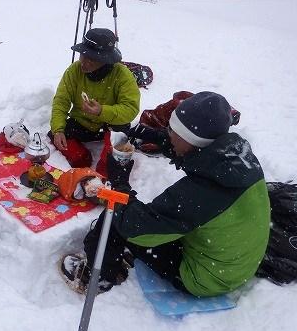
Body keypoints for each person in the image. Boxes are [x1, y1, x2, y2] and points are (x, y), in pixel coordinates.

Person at [61, 92, 270, 297]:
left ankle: (98, 278)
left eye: (173, 131)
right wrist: (155, 136)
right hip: (235, 261)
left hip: (209, 277)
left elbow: (134, 227)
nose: (168, 133)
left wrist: (119, 183)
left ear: (192, 139)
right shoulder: (236, 159)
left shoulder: (202, 193)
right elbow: (198, 157)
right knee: (143, 216)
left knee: (116, 217)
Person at [49, 28, 140, 176]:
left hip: (110, 125)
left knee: (107, 168)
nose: (84, 62)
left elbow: (130, 109)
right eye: (83, 55)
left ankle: (106, 166)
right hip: (82, 123)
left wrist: (101, 111)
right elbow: (61, 100)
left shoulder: (122, 75)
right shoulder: (74, 70)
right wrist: (58, 129)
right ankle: (83, 157)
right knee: (76, 157)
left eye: (92, 58)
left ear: (105, 60)